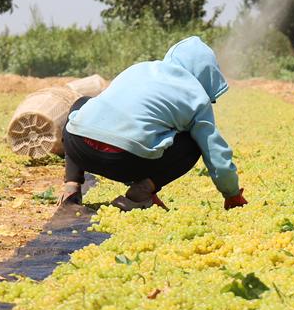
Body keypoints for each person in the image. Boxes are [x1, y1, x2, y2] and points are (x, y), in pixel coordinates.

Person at [60, 37, 248, 212]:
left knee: (82, 104)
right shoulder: (197, 96)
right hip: (123, 161)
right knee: (195, 142)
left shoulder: (139, 68)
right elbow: (215, 153)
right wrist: (231, 194)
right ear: (207, 73)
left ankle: (72, 185)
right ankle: (141, 192)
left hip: (79, 147)